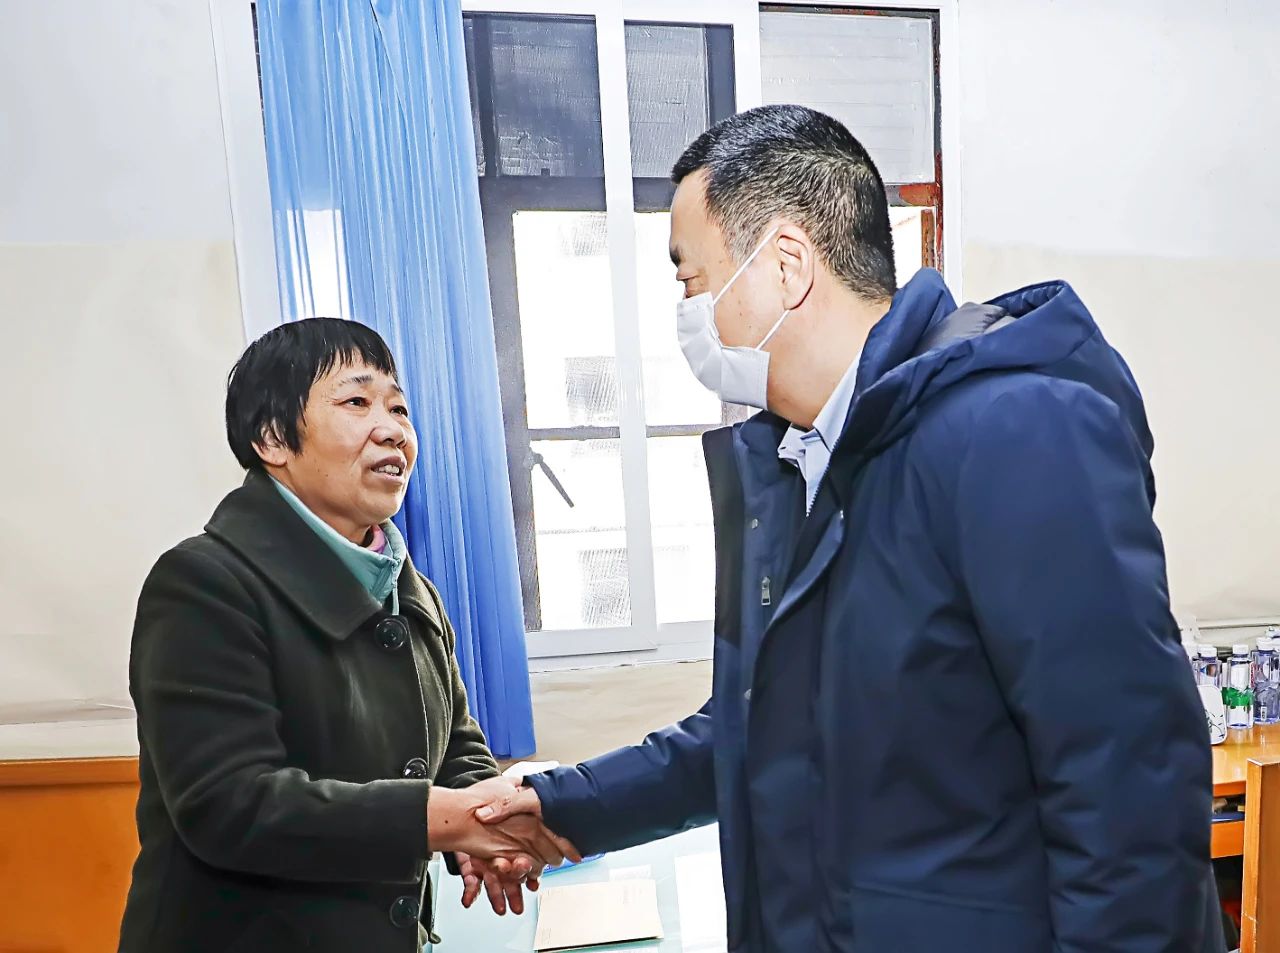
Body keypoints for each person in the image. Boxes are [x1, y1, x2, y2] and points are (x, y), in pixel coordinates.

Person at [475, 106, 1222, 952]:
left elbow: (1128, 793)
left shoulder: (1012, 431)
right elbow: (756, 728)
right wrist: (561, 802)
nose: (687, 312)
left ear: (785, 264)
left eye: (691, 279)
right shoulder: (799, 466)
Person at [118, 319, 574, 953]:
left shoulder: (406, 583)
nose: (392, 430)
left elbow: (454, 741)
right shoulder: (204, 583)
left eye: (398, 408)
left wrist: (486, 821)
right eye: (357, 402)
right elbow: (231, 805)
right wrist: (448, 820)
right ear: (273, 439)